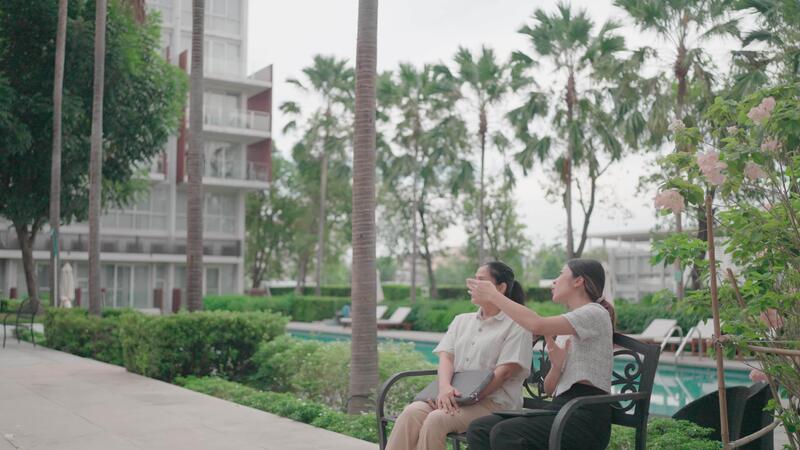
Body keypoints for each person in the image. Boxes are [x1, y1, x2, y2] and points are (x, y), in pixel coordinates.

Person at [466, 259, 615, 450]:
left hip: (585, 418)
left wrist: (494, 295)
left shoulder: (594, 313)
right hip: (561, 410)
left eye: (561, 273)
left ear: (579, 281)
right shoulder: (568, 326)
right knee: (479, 428)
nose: (554, 281)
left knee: (505, 432)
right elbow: (550, 390)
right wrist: (556, 366)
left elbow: (537, 324)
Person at [386, 261, 533, 450]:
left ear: (501, 288)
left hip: (494, 403)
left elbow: (504, 373)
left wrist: (468, 398)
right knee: (411, 413)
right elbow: (446, 357)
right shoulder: (461, 321)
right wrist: (444, 389)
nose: (472, 284)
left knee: (436, 419)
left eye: (480, 280)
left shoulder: (517, 325)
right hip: (454, 397)